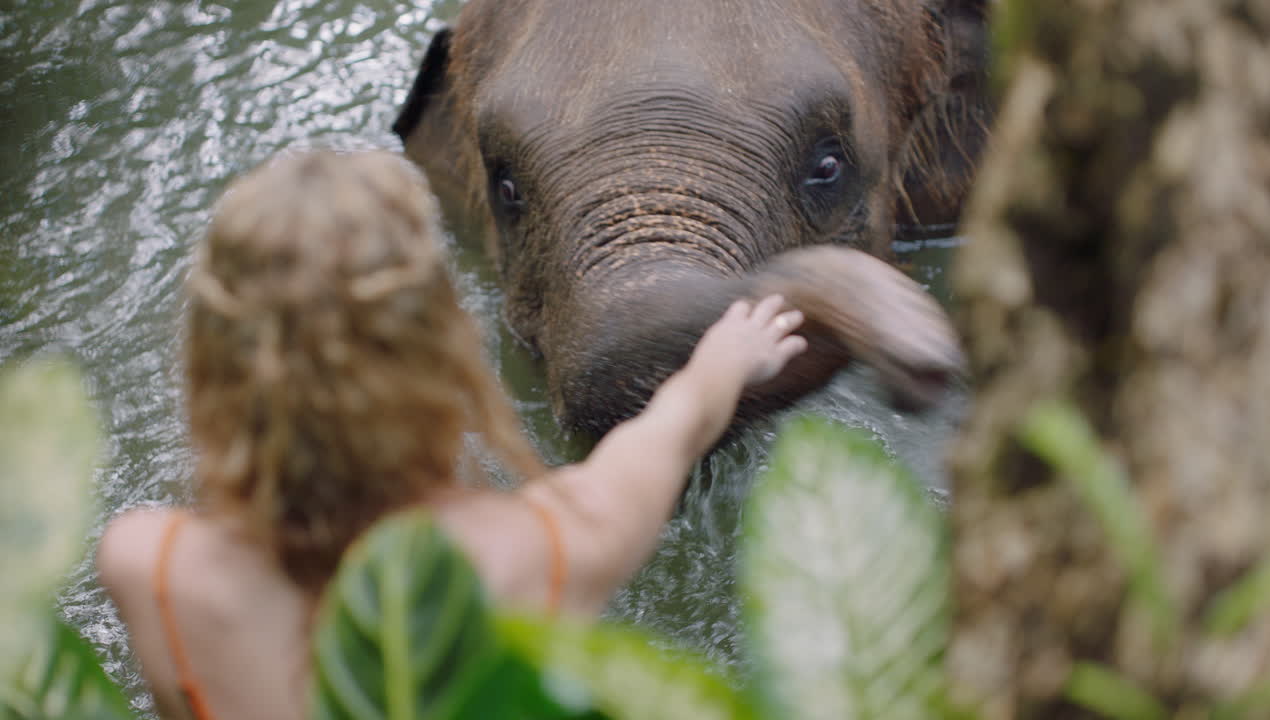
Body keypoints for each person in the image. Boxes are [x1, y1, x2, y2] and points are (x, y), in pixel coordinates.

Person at [96, 149, 807, 720]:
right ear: (443, 349)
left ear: (210, 369)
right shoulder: (554, 547)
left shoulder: (149, 569)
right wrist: (729, 358)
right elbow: (674, 427)